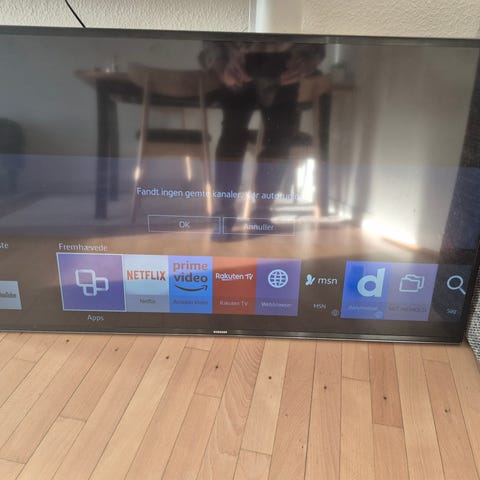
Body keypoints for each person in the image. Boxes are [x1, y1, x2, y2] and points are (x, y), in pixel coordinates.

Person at [201, 41, 325, 234]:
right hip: (271, 61)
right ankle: (255, 214)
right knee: (273, 139)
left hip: (262, 61)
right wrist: (221, 65)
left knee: (238, 136)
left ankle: (231, 214)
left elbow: (212, 39)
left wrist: (220, 63)